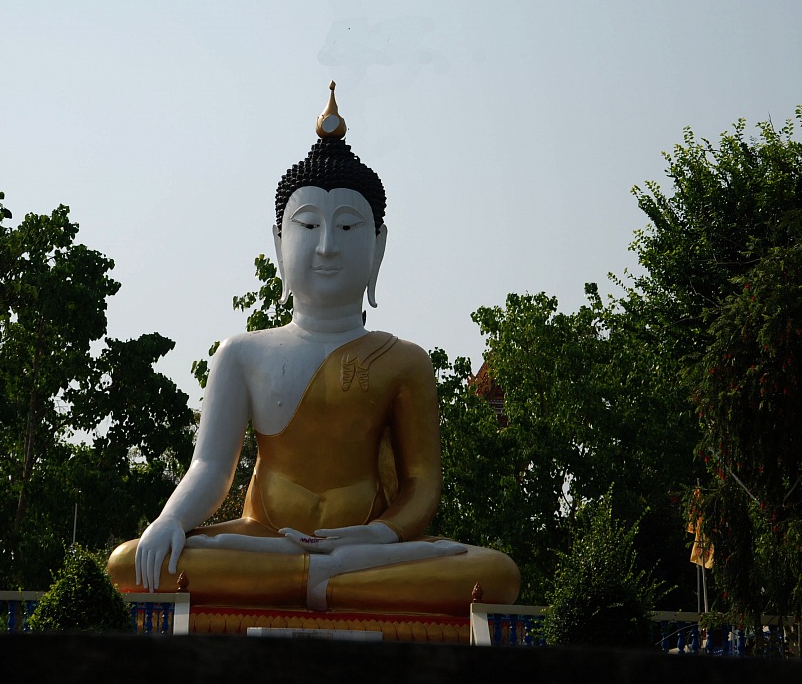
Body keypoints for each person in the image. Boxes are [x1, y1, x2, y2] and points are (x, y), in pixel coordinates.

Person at [107, 84, 519, 614]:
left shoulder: (403, 361)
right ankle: (324, 579)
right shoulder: (242, 353)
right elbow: (210, 469)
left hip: (366, 547)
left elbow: (421, 488)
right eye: (307, 226)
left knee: (494, 574)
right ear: (279, 244)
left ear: (378, 247)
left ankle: (318, 575)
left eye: (348, 227)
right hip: (263, 538)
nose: (327, 245)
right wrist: (169, 521)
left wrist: (376, 538)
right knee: (133, 559)